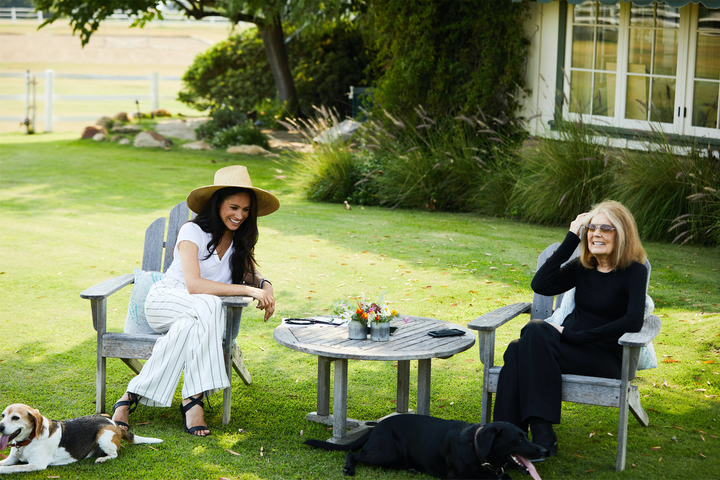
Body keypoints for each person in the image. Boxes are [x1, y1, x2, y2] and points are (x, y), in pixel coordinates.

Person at [111, 165, 279, 437]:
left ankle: (128, 399)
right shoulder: (192, 231)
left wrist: (264, 284)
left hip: (196, 315)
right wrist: (250, 292)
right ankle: (194, 400)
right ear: (218, 203)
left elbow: (251, 272)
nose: (239, 215)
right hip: (166, 300)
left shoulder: (238, 239)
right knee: (210, 304)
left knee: (187, 328)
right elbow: (194, 285)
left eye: (246, 210)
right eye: (234, 207)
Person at [493, 200, 648, 458]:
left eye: (606, 228)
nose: (596, 233)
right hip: (565, 347)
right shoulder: (582, 267)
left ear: (622, 234)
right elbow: (541, 284)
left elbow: (632, 321)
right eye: (591, 228)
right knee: (524, 343)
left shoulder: (634, 271)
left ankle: (511, 437)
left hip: (604, 357)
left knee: (520, 349)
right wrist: (570, 238)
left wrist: (576, 335)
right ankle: (531, 436)